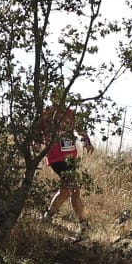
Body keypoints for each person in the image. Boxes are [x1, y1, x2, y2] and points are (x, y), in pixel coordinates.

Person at [41, 95, 94, 229]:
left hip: (70, 158)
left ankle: (47, 218)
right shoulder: (47, 114)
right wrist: (36, 142)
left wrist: (87, 142)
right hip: (56, 158)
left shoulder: (70, 113)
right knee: (73, 186)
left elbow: (80, 128)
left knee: (69, 190)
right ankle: (84, 225)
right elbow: (36, 130)